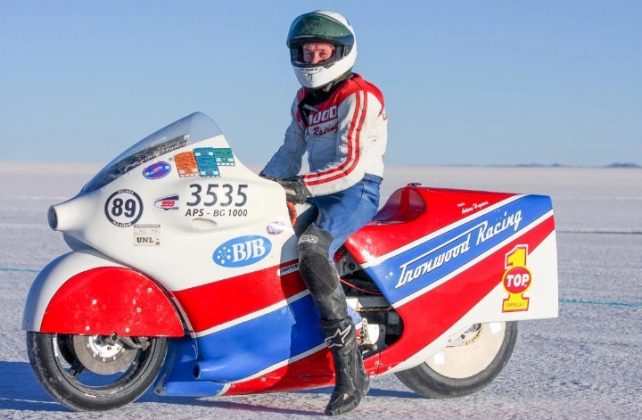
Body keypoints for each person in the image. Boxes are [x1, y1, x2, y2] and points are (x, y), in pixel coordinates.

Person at [260, 10, 387, 416]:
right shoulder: (305, 100)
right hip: (320, 190)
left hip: (355, 191)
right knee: (270, 235)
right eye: (307, 52)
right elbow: (289, 152)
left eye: (322, 52)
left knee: (312, 247)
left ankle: (351, 369)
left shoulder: (359, 96)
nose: (313, 60)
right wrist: (259, 187)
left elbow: (350, 166)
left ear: (341, 52)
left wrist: (299, 188)